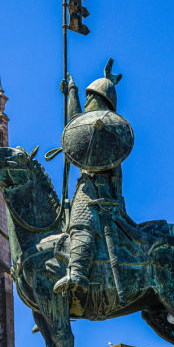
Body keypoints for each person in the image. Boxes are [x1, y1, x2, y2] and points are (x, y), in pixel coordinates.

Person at [53, 59, 141, 299]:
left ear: (99, 101)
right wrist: (71, 90)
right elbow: (76, 125)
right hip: (89, 188)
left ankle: (78, 275)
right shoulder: (95, 128)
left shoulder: (106, 130)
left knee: (80, 220)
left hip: (98, 193)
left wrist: (76, 92)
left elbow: (78, 124)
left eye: (89, 97)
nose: (87, 101)